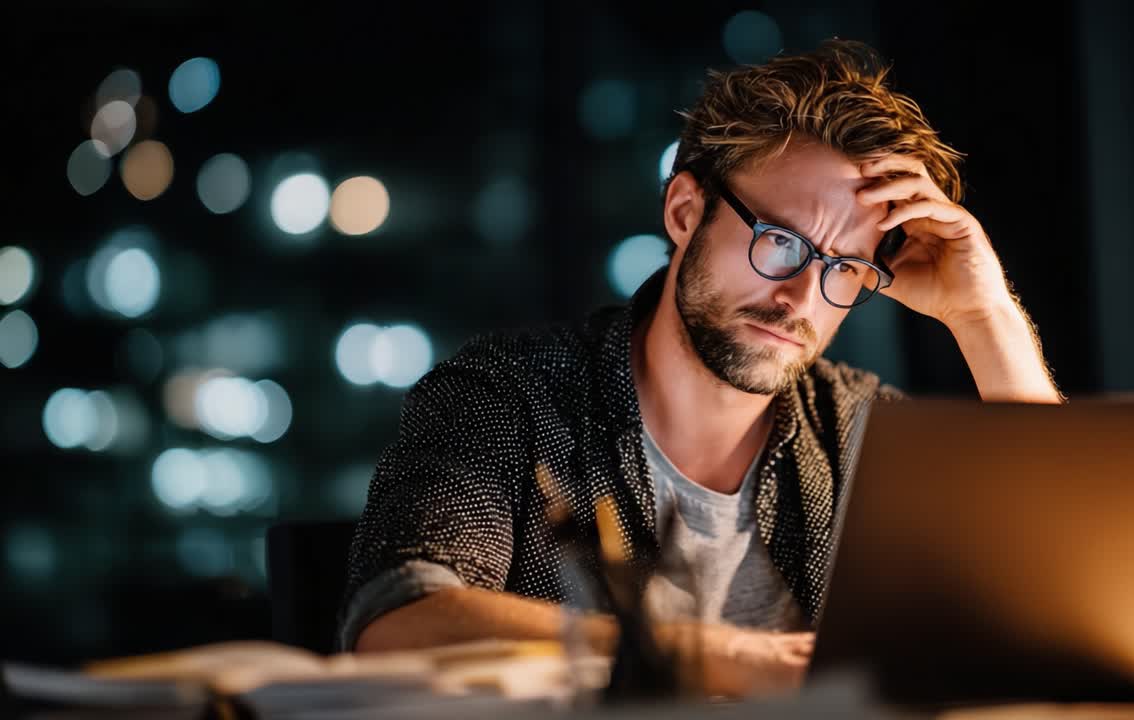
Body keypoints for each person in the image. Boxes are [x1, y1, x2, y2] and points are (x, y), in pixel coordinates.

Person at [339, 38, 1063, 696]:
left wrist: (984, 318)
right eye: (781, 243)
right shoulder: (508, 396)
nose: (802, 299)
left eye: (843, 268)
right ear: (686, 211)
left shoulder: (864, 431)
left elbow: (1065, 600)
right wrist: (719, 657)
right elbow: (398, 621)